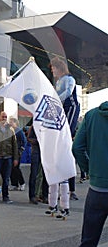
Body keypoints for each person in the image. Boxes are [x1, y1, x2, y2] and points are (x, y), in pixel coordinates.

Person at [72, 101, 108, 246]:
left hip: (97, 189)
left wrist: (89, 169)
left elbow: (77, 148)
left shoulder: (91, 116)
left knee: (89, 240)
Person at [50, 56, 80, 201]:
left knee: (66, 133)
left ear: (59, 68)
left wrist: (55, 100)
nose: (52, 71)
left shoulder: (68, 79)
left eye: (53, 68)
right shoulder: (58, 82)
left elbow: (67, 93)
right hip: (63, 108)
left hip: (71, 108)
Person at [27, 124, 48, 205]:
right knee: (34, 174)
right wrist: (37, 140)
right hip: (36, 151)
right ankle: (32, 196)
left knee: (46, 174)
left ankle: (44, 195)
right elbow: (29, 138)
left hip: (45, 152)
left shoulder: (48, 126)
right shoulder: (35, 125)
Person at [9, 116, 26, 191]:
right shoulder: (9, 131)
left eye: (11, 122)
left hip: (17, 152)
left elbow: (24, 141)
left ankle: (22, 183)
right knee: (11, 169)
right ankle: (14, 184)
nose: (10, 123)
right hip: (10, 152)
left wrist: (21, 150)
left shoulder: (19, 131)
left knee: (16, 168)